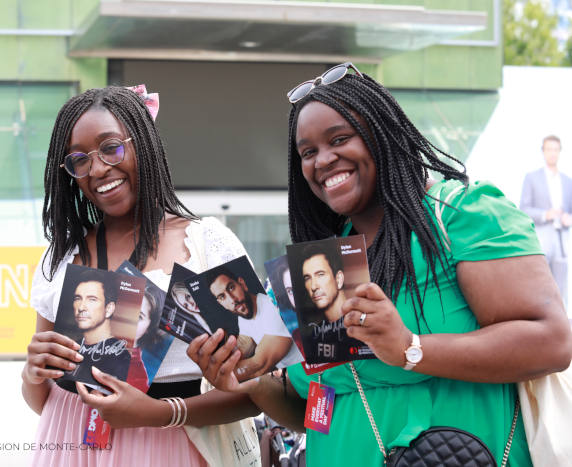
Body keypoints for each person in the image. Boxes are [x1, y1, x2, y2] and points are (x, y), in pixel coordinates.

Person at [188, 64, 572, 466]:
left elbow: (551, 342)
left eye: (339, 139)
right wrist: (250, 381)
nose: (323, 160)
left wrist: (410, 348)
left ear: (383, 134)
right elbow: (319, 411)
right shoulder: (321, 265)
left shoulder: (464, 214)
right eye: (308, 152)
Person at [22, 86, 260, 466]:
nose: (97, 169)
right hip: (70, 445)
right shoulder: (62, 256)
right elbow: (44, 400)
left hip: (174, 447)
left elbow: (257, 391)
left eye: (111, 148)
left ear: (144, 144)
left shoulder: (207, 243)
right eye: (79, 160)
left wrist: (159, 413)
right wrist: (32, 375)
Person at [206, 268, 296, 378]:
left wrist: (218, 373)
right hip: (293, 379)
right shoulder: (243, 315)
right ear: (220, 303)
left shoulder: (271, 307)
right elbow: (245, 344)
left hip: (310, 375)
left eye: (231, 287)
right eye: (222, 296)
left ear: (242, 283)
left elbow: (259, 365)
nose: (232, 299)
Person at [520, 135, 572, 306]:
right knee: (540, 286)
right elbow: (524, 209)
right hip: (542, 237)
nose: (552, 153)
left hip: (562, 239)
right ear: (543, 152)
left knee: (560, 289)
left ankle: (562, 328)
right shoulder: (532, 178)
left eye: (555, 149)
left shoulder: (567, 181)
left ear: (559, 152)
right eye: (549, 149)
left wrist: (568, 218)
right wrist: (545, 214)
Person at [62, 269, 131, 392]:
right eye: (78, 298)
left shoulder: (122, 358)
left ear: (109, 308)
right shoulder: (69, 348)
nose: (81, 307)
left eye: (92, 299)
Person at [299, 243, 345, 323]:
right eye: (307, 278)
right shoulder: (314, 334)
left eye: (320, 275)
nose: (313, 287)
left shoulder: (363, 318)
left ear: (338, 279)